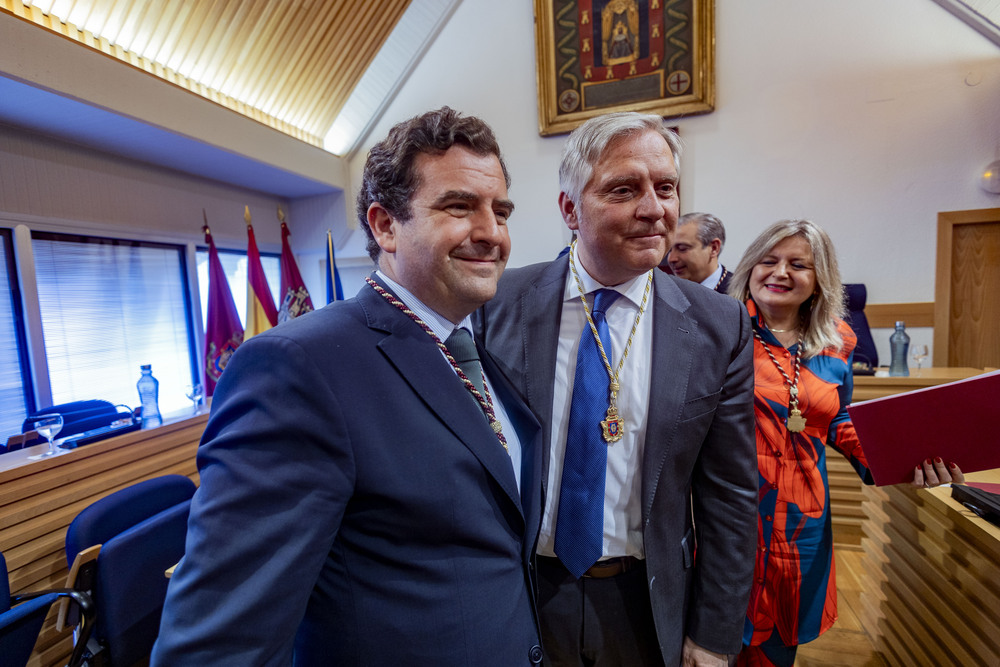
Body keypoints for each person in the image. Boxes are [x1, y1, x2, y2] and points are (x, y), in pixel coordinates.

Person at [152, 107, 545, 666]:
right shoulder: (297, 368)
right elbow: (217, 643)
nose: (491, 233)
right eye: (459, 207)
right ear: (385, 225)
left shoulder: (472, 347)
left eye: (499, 211)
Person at [475, 111, 758, 666]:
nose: (654, 209)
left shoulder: (718, 325)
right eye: (624, 189)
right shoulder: (496, 305)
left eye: (666, 188)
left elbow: (729, 496)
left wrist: (714, 634)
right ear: (569, 210)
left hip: (646, 600)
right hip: (523, 591)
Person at [727, 219, 964, 666]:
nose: (780, 272)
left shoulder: (836, 343)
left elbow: (840, 421)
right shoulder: (722, 331)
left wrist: (908, 460)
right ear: (749, 267)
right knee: (712, 641)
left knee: (778, 647)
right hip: (730, 518)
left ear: (818, 282)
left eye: (798, 264)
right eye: (769, 260)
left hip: (801, 523)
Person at [664, 212, 731, 292]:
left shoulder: (741, 294)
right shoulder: (666, 290)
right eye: (670, 250)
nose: (671, 259)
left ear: (714, 248)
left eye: (682, 248)